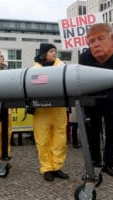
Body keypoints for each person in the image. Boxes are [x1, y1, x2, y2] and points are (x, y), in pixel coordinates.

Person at [79, 23, 113, 177]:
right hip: (93, 103)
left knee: (110, 135)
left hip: (112, 103)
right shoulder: (84, 58)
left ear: (111, 41)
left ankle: (108, 164)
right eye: (92, 41)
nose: (96, 44)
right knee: (93, 134)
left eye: (100, 39)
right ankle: (95, 162)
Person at [33, 43, 69, 181]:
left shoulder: (62, 67)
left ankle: (57, 167)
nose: (54, 53)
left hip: (58, 111)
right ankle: (47, 168)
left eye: (55, 51)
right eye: (51, 51)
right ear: (43, 54)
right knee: (43, 141)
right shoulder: (35, 69)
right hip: (42, 112)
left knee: (60, 140)